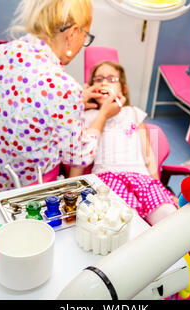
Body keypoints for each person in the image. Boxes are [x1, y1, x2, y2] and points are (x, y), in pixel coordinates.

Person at [0, 0, 122, 202]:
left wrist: (75, 100)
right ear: (71, 34)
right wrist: (103, 115)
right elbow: (77, 155)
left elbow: (17, 103)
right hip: (17, 195)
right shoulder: (61, 86)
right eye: (85, 36)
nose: (83, 44)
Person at [75, 61, 179, 226]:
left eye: (111, 79)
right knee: (124, 222)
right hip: (107, 179)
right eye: (98, 79)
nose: (104, 83)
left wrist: (159, 186)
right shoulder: (88, 117)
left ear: (123, 88)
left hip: (142, 178)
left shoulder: (133, 113)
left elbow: (147, 153)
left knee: (170, 216)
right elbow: (80, 154)